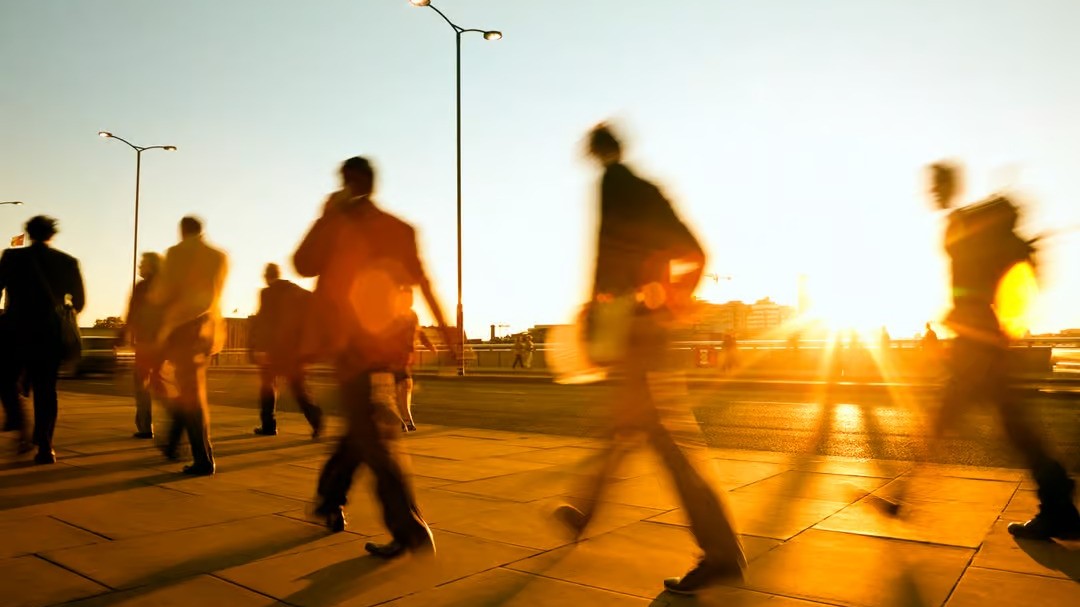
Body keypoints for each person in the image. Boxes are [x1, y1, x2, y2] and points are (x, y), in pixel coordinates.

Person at [554, 124, 745, 594]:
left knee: (661, 437)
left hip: (634, 325)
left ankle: (721, 552)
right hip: (643, 324)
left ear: (600, 151)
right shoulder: (647, 190)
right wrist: (671, 300)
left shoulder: (616, 185)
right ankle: (584, 513)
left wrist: (611, 308)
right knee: (627, 425)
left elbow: (611, 258)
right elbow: (693, 251)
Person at [893, 162, 1080, 539]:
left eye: (935, 186)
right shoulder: (978, 226)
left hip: (976, 343)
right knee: (1012, 427)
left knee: (948, 420)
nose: (930, 193)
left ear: (948, 186)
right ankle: (1059, 504)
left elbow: (972, 285)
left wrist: (964, 315)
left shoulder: (963, 224)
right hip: (986, 339)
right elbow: (1011, 274)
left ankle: (901, 499)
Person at [295, 156, 457, 558]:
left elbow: (303, 264)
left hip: (351, 345)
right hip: (385, 347)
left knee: (370, 437)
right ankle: (329, 499)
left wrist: (325, 216)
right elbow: (424, 281)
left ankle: (408, 528)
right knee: (361, 429)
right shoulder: (401, 229)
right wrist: (447, 331)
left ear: (347, 183)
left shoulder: (338, 225)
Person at [0, 216, 85, 463]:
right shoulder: (68, 262)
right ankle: (45, 446)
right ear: (52, 234)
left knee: (5, 380)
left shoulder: (12, 257)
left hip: (15, 331)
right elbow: (79, 301)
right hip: (49, 335)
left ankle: (18, 422)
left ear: (28, 232)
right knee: (46, 390)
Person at [151, 216, 228, 476]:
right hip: (207, 332)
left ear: (182, 231)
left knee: (190, 396)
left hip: (182, 330)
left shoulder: (176, 253)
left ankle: (203, 459)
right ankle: (181, 445)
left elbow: (164, 292)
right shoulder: (219, 256)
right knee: (189, 392)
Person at [250, 263, 323, 438]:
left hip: (273, 351)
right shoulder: (296, 290)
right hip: (294, 351)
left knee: (267, 388)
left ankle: (269, 425)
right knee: (298, 388)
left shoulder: (267, 293)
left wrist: (260, 348)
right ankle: (315, 417)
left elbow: (265, 322)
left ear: (267, 277)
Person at [124, 252, 164, 439]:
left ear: (151, 266)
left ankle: (145, 427)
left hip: (146, 344)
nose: (140, 266)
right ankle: (176, 424)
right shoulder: (167, 287)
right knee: (165, 385)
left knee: (142, 385)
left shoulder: (142, 287)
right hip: (165, 343)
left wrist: (124, 333)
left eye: (143, 263)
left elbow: (132, 314)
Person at [389, 289, 435, 433]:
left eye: (411, 298)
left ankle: (404, 420)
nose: (410, 301)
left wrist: (429, 344)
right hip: (394, 357)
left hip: (405, 358)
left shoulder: (412, 315)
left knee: (403, 387)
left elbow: (419, 331)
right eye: (406, 298)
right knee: (402, 386)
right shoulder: (394, 315)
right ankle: (405, 420)